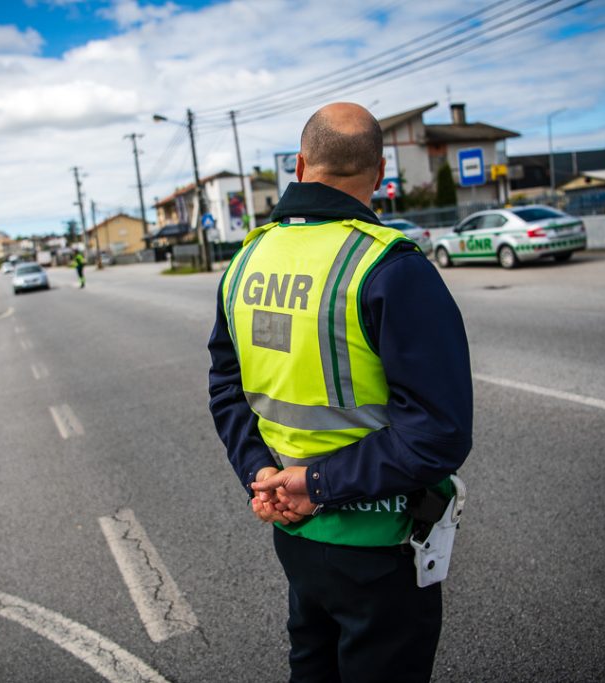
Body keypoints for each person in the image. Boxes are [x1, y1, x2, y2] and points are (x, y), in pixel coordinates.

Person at [207, 102, 473, 683]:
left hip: (292, 531)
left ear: (300, 166)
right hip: (381, 538)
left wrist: (262, 474)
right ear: (379, 173)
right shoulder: (389, 266)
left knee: (313, 665)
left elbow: (226, 387)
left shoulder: (246, 259)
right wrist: (317, 485)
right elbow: (439, 434)